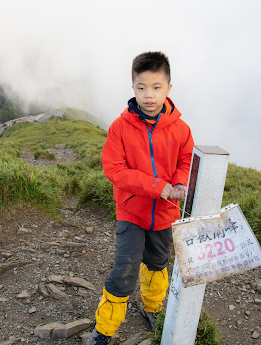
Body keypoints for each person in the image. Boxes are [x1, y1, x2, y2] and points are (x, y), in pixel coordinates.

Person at [87, 52, 194, 344]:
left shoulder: (181, 130)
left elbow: (186, 162)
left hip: (165, 213)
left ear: (169, 88)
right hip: (131, 212)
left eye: (157, 87)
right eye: (142, 87)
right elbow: (114, 170)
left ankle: (152, 308)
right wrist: (155, 185)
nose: (149, 95)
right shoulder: (120, 128)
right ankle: (104, 330)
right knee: (124, 269)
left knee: (158, 263)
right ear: (133, 87)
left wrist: (180, 182)